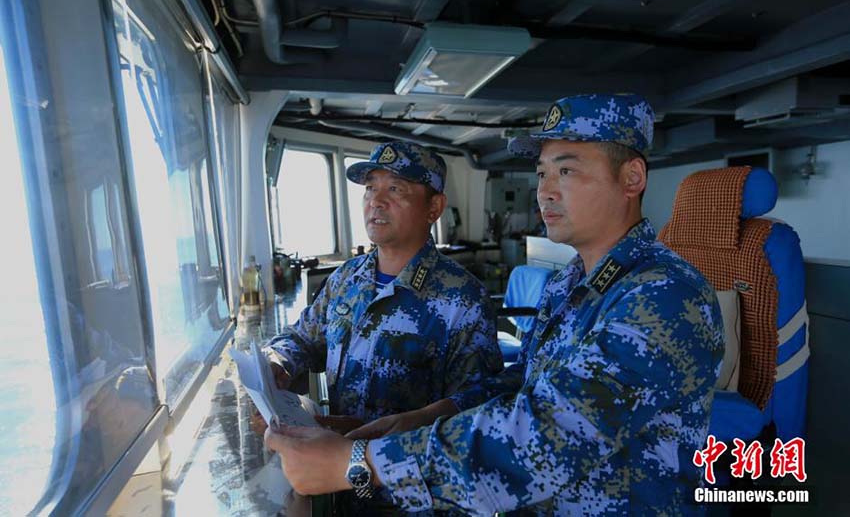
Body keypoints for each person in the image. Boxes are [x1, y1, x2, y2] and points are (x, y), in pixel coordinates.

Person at [264, 94, 725, 515]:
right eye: (542, 173)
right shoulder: (571, 284)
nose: (545, 191)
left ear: (632, 178)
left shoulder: (663, 294)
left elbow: (550, 433)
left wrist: (360, 464)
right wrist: (426, 416)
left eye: (566, 171)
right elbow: (523, 381)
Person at [260, 140, 504, 512]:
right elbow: (301, 337)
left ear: (434, 207)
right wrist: (278, 364)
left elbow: (477, 409)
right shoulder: (346, 278)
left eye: (396, 189)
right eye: (370, 188)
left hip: (410, 496)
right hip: (336, 482)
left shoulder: (463, 298)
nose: (376, 200)